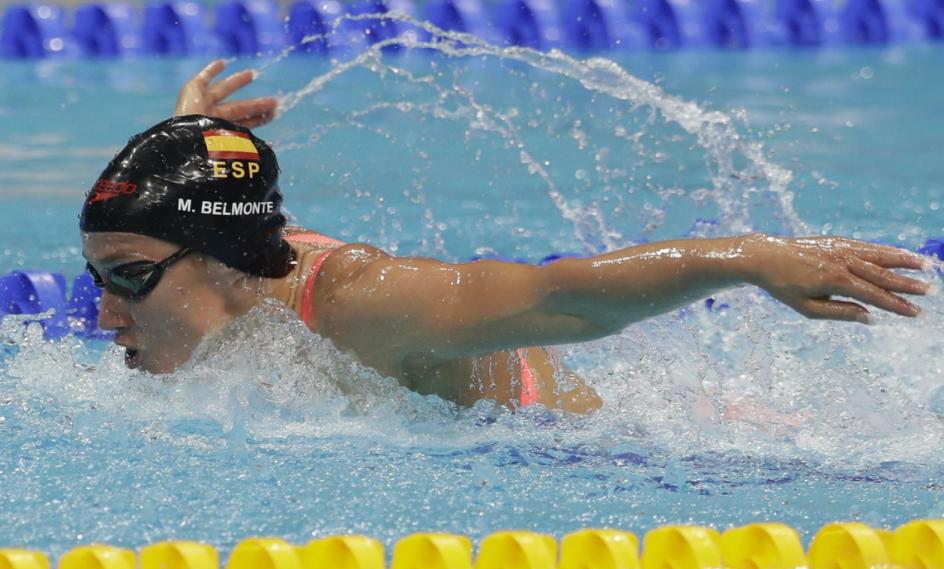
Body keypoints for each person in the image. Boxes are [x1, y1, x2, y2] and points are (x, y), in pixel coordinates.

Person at [81, 60, 932, 415]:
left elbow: (564, 295)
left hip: (586, 463)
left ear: (223, 261)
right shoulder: (223, 252)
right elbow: (200, 217)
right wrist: (191, 133)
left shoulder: (365, 304)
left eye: (124, 282)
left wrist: (752, 258)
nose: (102, 320)